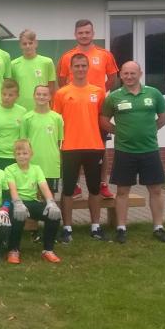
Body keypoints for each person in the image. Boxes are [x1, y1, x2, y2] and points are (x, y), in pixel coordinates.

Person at [100, 61, 165, 243]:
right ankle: (121, 228)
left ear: (140, 73)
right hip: (124, 151)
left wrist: (150, 130)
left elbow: (163, 118)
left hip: (150, 149)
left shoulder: (153, 93)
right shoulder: (113, 97)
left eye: (133, 73)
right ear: (121, 75)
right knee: (122, 191)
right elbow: (103, 120)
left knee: (155, 190)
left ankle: (158, 227)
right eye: (125, 73)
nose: (129, 76)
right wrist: (119, 132)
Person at [57, 19, 119, 199]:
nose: (84, 35)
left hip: (96, 109)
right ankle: (75, 186)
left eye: (87, 32)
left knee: (101, 147)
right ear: (75, 34)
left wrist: (97, 94)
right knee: (72, 148)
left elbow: (112, 78)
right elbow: (62, 81)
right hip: (75, 109)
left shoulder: (104, 54)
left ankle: (102, 183)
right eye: (80, 33)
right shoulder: (67, 56)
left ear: (93, 34)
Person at [53, 53, 108, 243]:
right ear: (70, 69)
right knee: (68, 189)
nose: (80, 69)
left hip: (94, 146)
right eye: (76, 66)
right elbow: (55, 121)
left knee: (94, 188)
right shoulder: (61, 93)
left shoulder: (98, 92)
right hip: (70, 147)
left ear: (88, 67)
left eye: (84, 65)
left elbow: (102, 119)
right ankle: (67, 228)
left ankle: (95, 226)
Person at [5, 140, 62, 264]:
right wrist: (17, 203)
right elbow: (12, 189)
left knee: (54, 215)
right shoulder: (9, 169)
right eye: (18, 154)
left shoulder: (36, 169)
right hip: (17, 202)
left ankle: (48, 250)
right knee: (18, 216)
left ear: (31, 154)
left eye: (25, 153)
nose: (22, 156)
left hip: (32, 202)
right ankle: (13, 250)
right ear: (14, 155)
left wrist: (51, 202)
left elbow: (44, 186)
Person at [21, 85, 64, 196]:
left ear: (50, 97)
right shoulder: (27, 118)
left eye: (45, 94)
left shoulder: (57, 118)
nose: (41, 97)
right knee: (33, 196)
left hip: (51, 164)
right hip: (33, 163)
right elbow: (23, 143)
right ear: (34, 96)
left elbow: (59, 142)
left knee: (50, 198)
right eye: (38, 94)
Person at [0, 78, 27, 170]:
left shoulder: (23, 112)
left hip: (15, 156)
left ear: (17, 96)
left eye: (10, 95)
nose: (6, 97)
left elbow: (24, 135)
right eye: (4, 94)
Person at [10, 29, 56, 112]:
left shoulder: (47, 62)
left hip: (41, 109)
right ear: (20, 45)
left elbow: (51, 88)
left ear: (36, 43)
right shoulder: (13, 64)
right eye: (24, 44)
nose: (28, 46)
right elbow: (12, 88)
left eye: (30, 43)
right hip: (20, 109)